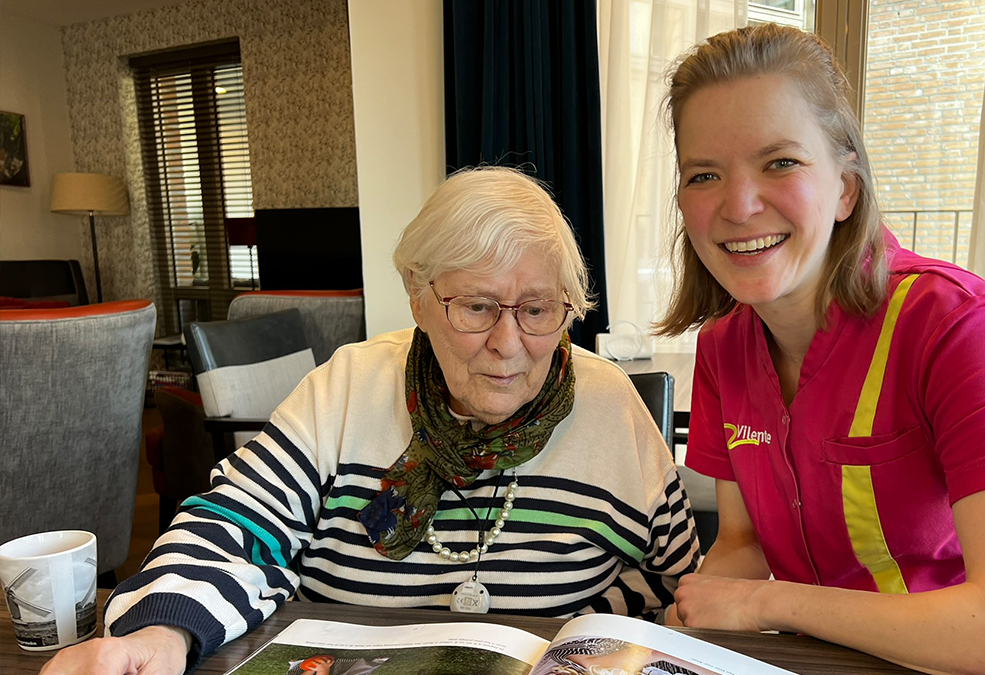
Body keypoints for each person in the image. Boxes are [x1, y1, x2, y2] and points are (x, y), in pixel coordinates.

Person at [41, 167, 699, 675]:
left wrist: (588, 624)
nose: (509, 342)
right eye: (476, 306)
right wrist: (161, 629)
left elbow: (680, 585)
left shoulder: (612, 406)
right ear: (418, 294)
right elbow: (236, 529)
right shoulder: (348, 387)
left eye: (537, 309)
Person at [657, 24, 985, 675]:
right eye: (704, 174)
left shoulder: (955, 323)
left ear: (846, 189)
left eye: (780, 162)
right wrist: (691, 620)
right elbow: (744, 543)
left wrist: (769, 601)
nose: (739, 204)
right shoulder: (723, 347)